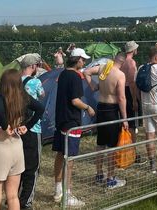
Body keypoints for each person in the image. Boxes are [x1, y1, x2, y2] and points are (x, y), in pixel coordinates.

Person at [0, 69, 43, 210]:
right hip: (17, 147)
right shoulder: (23, 97)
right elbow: (40, 108)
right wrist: (28, 126)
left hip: (0, 148)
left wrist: (5, 125)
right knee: (12, 196)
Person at [52, 48, 95, 207]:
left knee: (60, 154)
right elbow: (75, 100)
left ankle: (58, 190)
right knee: (70, 159)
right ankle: (67, 194)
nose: (84, 62)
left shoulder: (63, 74)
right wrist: (88, 108)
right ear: (77, 60)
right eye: (83, 60)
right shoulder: (76, 77)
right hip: (71, 121)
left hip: (61, 119)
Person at [84, 53, 129, 189]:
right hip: (111, 110)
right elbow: (121, 98)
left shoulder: (104, 67)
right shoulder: (120, 75)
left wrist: (93, 85)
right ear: (123, 63)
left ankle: (99, 175)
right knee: (111, 146)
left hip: (101, 107)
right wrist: (125, 118)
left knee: (100, 144)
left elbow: (86, 71)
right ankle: (110, 179)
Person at [19, 54, 46, 209]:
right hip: (32, 128)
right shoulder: (36, 81)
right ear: (33, 67)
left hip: (17, 127)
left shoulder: (14, 82)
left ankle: (12, 197)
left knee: (18, 166)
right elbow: (42, 95)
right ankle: (26, 202)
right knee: (32, 167)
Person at [121, 40, 146, 164]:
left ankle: (127, 150)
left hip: (122, 91)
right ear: (132, 50)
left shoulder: (121, 62)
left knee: (126, 122)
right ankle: (133, 153)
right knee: (132, 125)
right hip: (129, 92)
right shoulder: (131, 62)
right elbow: (131, 83)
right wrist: (135, 99)